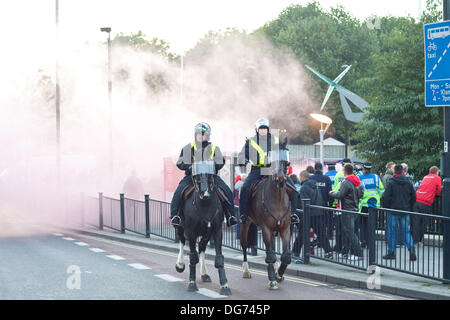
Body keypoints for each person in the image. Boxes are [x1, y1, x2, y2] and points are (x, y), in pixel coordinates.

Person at [169, 123, 238, 227]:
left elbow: (220, 161)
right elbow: (180, 162)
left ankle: (230, 216)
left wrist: (215, 165)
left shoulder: (214, 148)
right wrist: (188, 166)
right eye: (199, 134)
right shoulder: (188, 148)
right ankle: (175, 216)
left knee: (226, 190)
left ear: (208, 136)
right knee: (179, 192)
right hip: (191, 177)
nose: (201, 136)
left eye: (204, 135)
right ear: (195, 135)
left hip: (211, 177)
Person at [237, 118, 299, 225]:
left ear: (268, 129)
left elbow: (283, 151)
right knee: (245, 188)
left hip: (273, 169)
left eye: (265, 129)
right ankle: (244, 215)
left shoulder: (275, 140)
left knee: (293, 188)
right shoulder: (250, 141)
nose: (263, 131)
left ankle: (294, 214)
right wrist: (244, 160)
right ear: (257, 130)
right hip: (257, 170)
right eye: (260, 129)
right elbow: (242, 155)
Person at [293, 170, 333, 259]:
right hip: (318, 212)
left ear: (303, 177)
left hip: (308, 214)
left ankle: (295, 252)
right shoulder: (316, 186)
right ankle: (328, 252)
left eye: (300, 177)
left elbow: (304, 202)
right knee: (321, 234)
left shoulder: (303, 187)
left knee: (302, 234)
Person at [381, 164, 416, 261]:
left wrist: (386, 207)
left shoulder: (391, 182)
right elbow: (414, 197)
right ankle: (411, 249)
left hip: (393, 210)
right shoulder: (408, 182)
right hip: (405, 210)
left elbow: (386, 197)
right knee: (406, 231)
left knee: (391, 232)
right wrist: (409, 207)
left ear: (394, 171)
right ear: (403, 171)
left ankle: (391, 252)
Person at [329, 163, 364, 261]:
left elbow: (340, 195)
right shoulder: (357, 181)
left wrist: (331, 194)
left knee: (350, 232)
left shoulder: (346, 182)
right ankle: (345, 252)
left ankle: (359, 253)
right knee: (348, 232)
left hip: (347, 209)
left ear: (344, 171)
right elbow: (361, 195)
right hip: (355, 208)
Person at [412, 166, 442, 245]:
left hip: (417, 200)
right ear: (437, 172)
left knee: (416, 222)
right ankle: (419, 240)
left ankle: (415, 241)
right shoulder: (437, 178)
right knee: (424, 222)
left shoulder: (425, 177)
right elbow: (438, 191)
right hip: (426, 202)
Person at [357, 162, 385, 248]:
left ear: (364, 169)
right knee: (372, 225)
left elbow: (358, 191)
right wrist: (377, 197)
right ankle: (371, 243)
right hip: (373, 205)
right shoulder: (376, 177)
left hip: (363, 205)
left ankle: (363, 241)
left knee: (363, 225)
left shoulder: (359, 178)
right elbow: (382, 190)